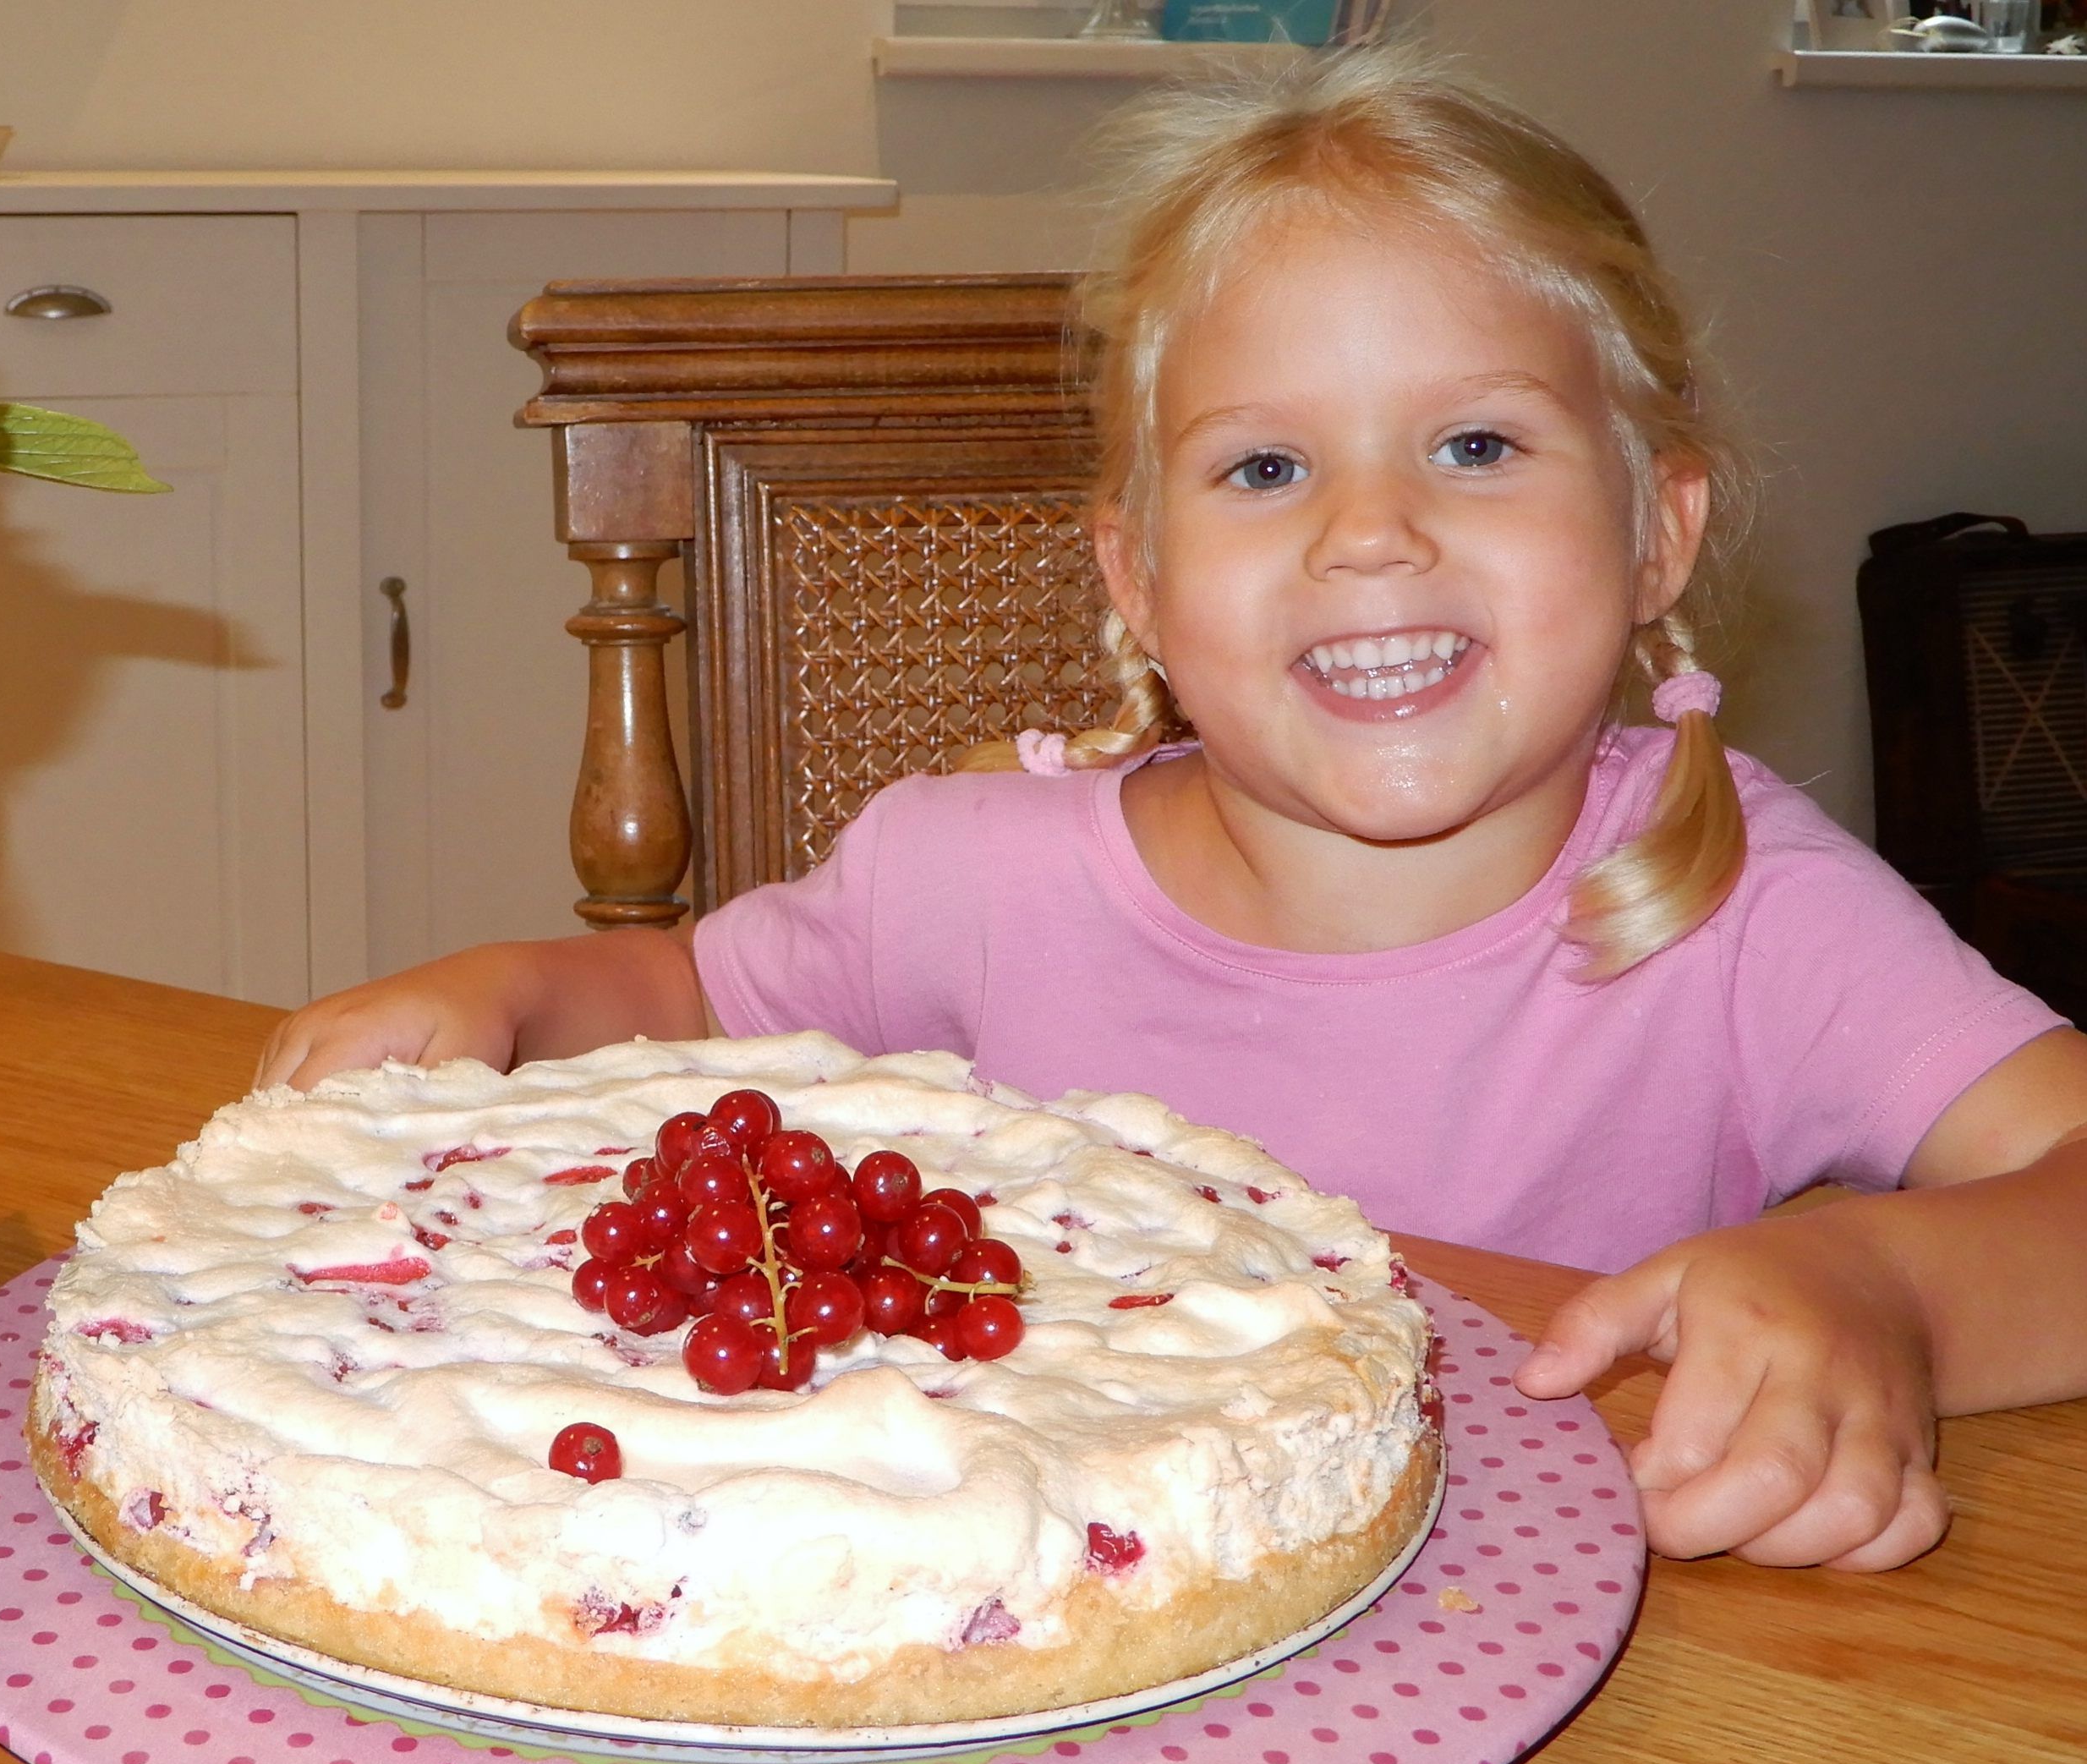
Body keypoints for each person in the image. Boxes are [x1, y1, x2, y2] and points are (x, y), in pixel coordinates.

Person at [259, 49, 2087, 1573]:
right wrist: (506, 994)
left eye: (1475, 444)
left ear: (1654, 534)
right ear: (1135, 582)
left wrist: (1882, 1286)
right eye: (1265, 466)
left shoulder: (1747, 911)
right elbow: (677, 1005)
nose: (1366, 530)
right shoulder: (967, 883)